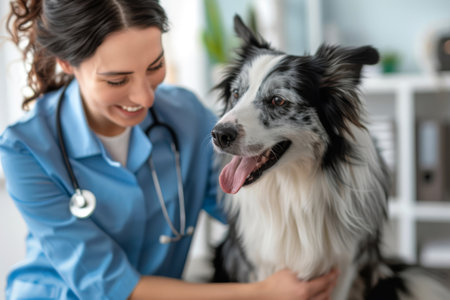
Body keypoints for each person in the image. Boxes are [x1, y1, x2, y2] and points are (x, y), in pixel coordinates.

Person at [0, 0, 339, 299]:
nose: (146, 98)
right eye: (117, 80)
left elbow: (244, 209)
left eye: (154, 67)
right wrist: (261, 294)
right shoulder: (24, 149)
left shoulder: (185, 115)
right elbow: (112, 287)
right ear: (67, 63)